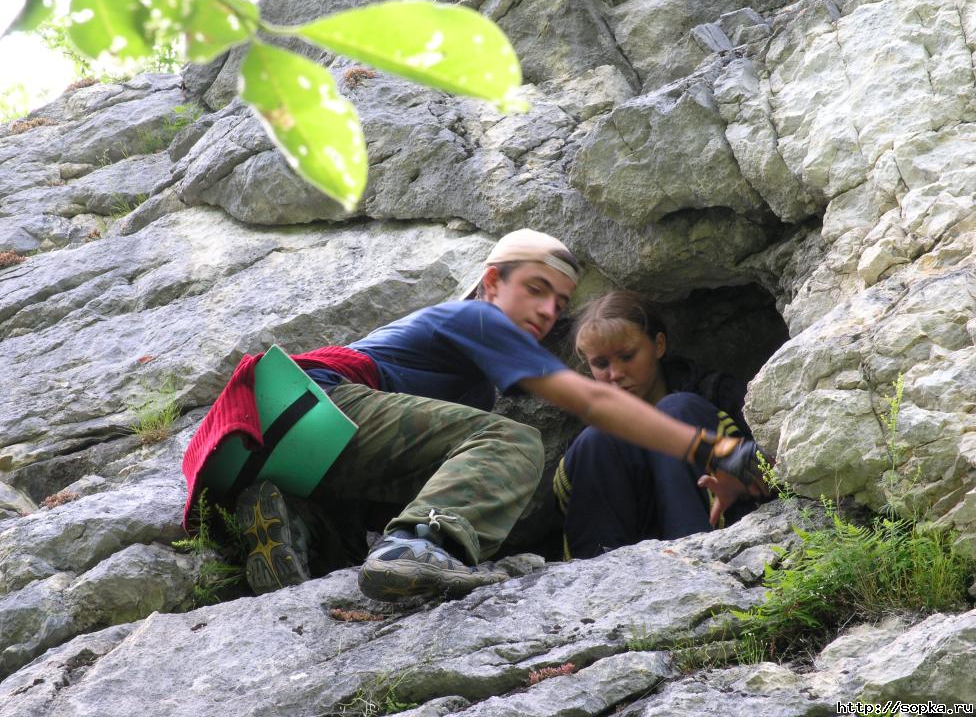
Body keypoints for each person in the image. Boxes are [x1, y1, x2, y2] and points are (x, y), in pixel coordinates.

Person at [182, 230, 769, 604]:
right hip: (316, 406)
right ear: (492, 283)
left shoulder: (465, 376)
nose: (545, 311)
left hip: (278, 444)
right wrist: (716, 450)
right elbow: (591, 402)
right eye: (536, 289)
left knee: (414, 492)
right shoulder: (477, 321)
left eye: (558, 304)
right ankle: (416, 547)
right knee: (513, 444)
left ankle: (294, 521)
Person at [553, 290, 772, 559]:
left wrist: (741, 477)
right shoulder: (596, 432)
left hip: (722, 542)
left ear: (658, 345)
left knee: (675, 410)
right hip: (629, 567)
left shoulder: (715, 393)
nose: (615, 374)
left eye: (627, 356)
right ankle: (594, 576)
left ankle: (691, 554)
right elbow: (565, 499)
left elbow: (782, 462)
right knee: (600, 436)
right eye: (600, 363)